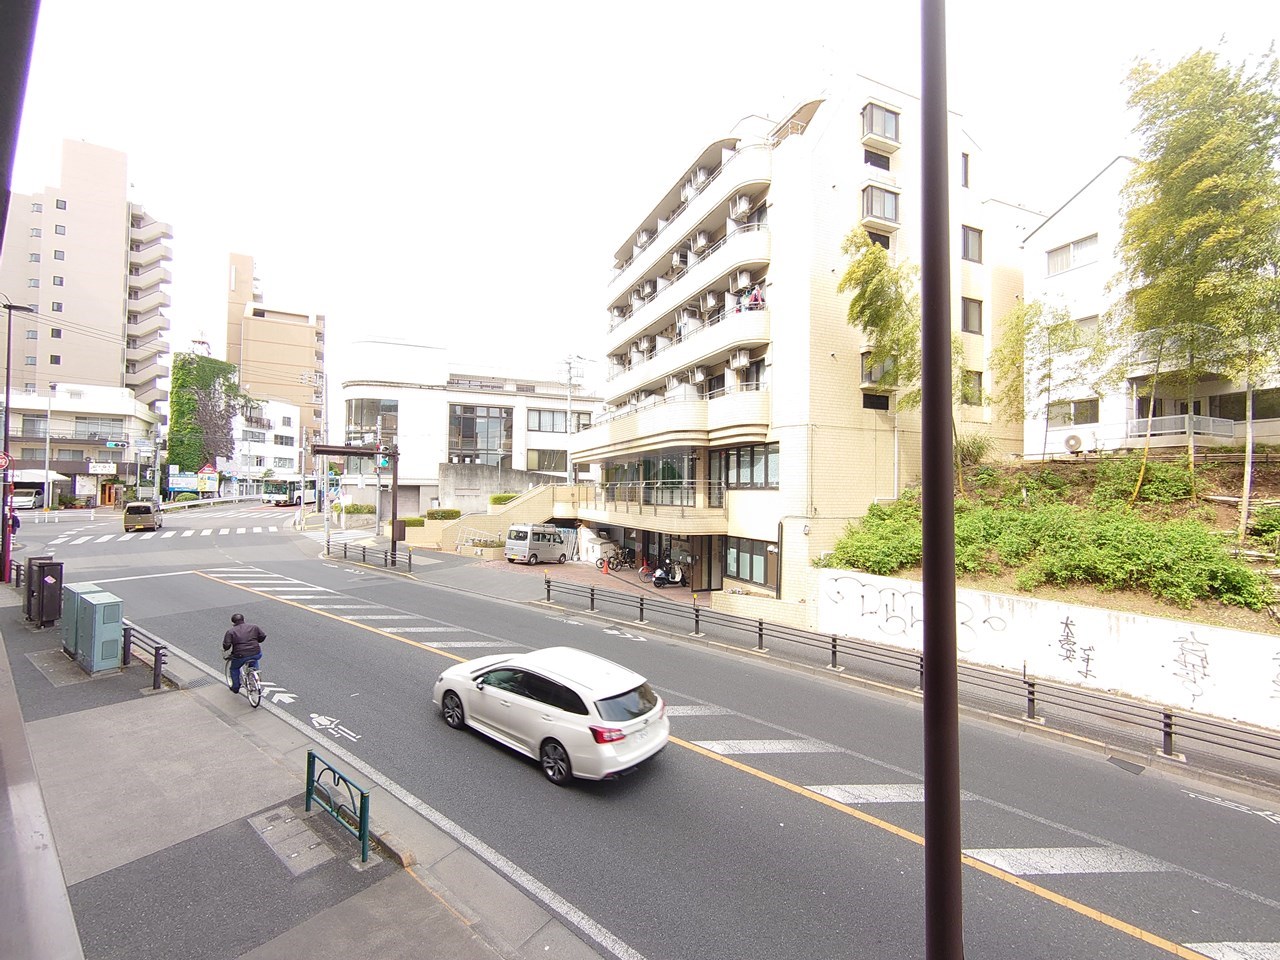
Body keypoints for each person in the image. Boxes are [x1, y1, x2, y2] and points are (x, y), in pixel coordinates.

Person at [222, 613, 266, 694]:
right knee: (254, 660)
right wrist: (257, 640)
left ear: (233, 622)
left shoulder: (231, 632)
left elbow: (226, 645)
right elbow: (262, 636)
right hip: (256, 652)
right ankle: (255, 677)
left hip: (240, 655)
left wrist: (226, 649)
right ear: (243, 619)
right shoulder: (254, 627)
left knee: (234, 668)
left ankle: (235, 687)